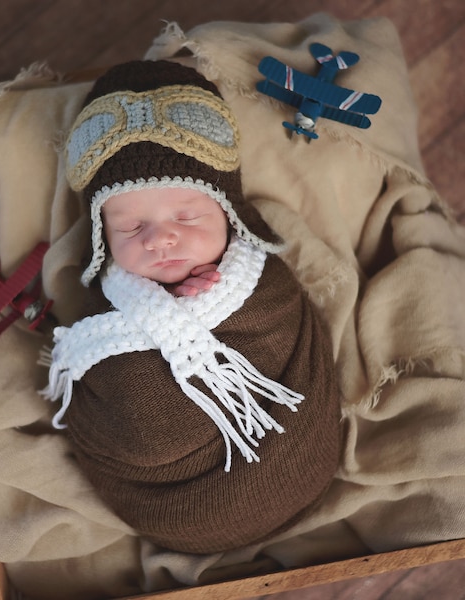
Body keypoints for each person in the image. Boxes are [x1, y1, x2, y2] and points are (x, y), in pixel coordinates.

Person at [42, 60, 342, 554]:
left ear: (229, 210)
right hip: (169, 506)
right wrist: (165, 318)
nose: (161, 238)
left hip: (290, 459)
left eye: (187, 214)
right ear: (101, 238)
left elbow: (284, 322)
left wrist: (206, 314)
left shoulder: (261, 284)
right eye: (131, 228)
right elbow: (112, 404)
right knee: (143, 425)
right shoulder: (107, 307)